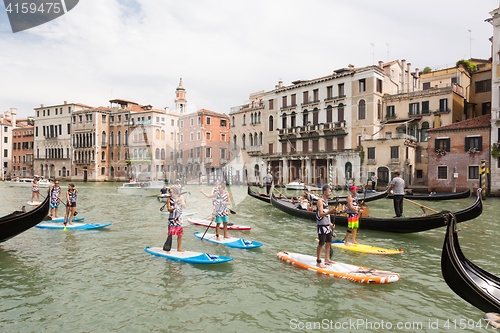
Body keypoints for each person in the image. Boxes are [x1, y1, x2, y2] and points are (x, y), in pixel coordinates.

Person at [316, 184, 338, 268]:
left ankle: (326, 259)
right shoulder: (320, 201)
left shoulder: (326, 202)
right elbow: (321, 214)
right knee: (321, 243)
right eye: (329, 191)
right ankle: (318, 261)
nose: (330, 193)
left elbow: (326, 215)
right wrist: (330, 212)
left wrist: (331, 223)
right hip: (321, 227)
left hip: (327, 226)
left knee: (329, 242)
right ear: (325, 192)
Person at [164, 187, 186, 253]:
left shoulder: (181, 197)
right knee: (170, 234)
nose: (170, 193)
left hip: (179, 219)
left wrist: (180, 201)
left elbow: (184, 206)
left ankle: (179, 248)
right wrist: (174, 208)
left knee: (180, 234)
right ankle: (168, 249)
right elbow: (168, 209)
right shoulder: (169, 199)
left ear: (175, 192)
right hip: (172, 219)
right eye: (169, 192)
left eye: (171, 192)